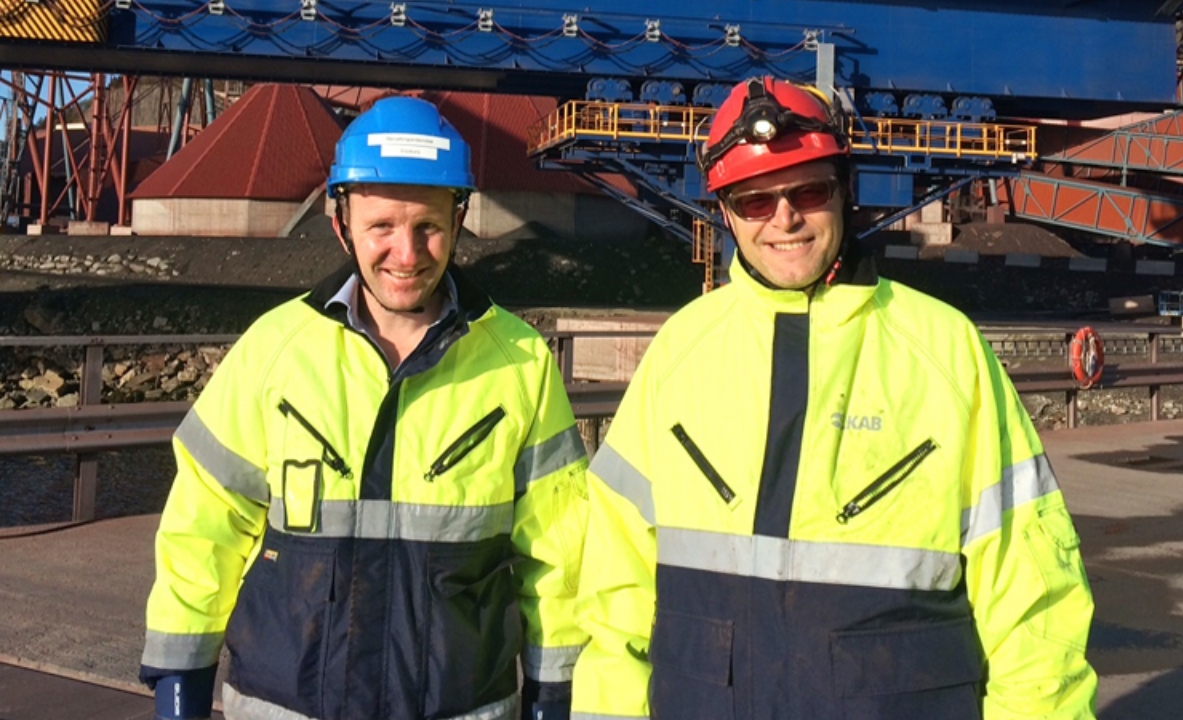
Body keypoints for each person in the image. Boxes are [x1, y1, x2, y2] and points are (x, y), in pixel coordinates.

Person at [570, 77, 1097, 719]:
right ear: (725, 214)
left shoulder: (944, 351)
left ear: (845, 190)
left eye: (807, 191)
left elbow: (1033, 599)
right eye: (754, 202)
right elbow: (614, 589)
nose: (783, 218)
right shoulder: (681, 352)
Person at [140, 95, 588, 720]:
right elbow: (204, 529)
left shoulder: (519, 363)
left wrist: (555, 693)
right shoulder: (275, 350)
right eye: (382, 227)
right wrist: (179, 681)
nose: (406, 254)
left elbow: (559, 557)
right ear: (342, 224)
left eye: (428, 227)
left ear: (458, 224)